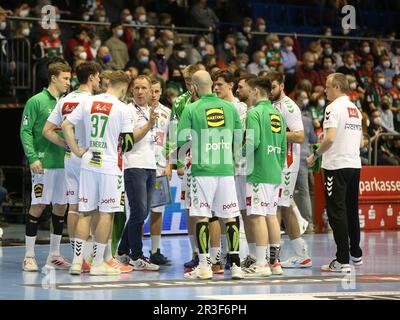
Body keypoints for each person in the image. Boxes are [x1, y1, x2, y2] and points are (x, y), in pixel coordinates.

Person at [62, 71, 134, 275]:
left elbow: (66, 125)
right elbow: (127, 144)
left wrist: (76, 150)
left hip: (88, 163)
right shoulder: (123, 108)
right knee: (106, 213)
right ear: (124, 88)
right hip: (109, 165)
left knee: (85, 212)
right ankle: (97, 264)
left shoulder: (88, 102)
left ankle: (77, 262)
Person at [177, 70, 243, 280]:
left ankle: (205, 266)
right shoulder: (229, 107)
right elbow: (239, 137)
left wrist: (182, 160)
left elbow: (181, 141)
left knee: (202, 217)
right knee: (230, 217)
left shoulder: (192, 108)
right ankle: (236, 266)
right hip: (225, 170)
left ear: (194, 87)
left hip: (201, 170)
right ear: (212, 85)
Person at [43, 62, 105, 274]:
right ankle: (91, 258)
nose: (99, 81)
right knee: (93, 208)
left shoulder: (65, 100)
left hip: (70, 159)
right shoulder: (93, 101)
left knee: (73, 206)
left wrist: (68, 145)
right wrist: (79, 148)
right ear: (92, 77)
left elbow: (47, 131)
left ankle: (77, 256)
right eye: (98, 77)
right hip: (89, 158)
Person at [307, 73, 363, 272]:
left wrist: (315, 155)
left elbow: (329, 138)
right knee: (351, 209)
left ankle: (342, 260)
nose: (325, 89)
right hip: (354, 165)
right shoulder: (355, 109)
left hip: (336, 166)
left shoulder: (333, 108)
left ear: (337, 87)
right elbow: (362, 142)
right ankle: (356, 254)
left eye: (328, 86)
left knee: (336, 213)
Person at [20, 62, 71, 272]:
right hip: (43, 163)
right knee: (38, 206)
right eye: (65, 78)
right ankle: (29, 256)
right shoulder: (36, 101)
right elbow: (25, 131)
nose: (69, 82)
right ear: (53, 78)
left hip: (65, 163)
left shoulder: (69, 103)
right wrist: (32, 158)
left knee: (61, 207)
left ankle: (54, 255)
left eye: (69, 79)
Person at [266, 72, 312, 269]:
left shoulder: (290, 106)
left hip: (288, 163)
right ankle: (301, 253)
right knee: (283, 207)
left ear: (282, 86)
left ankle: (272, 256)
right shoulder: (270, 104)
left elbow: (300, 136)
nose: (270, 91)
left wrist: (275, 134)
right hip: (276, 160)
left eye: (273, 87)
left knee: (277, 206)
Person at [242, 77, 286, 277]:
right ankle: (275, 263)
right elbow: (284, 147)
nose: (248, 95)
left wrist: (237, 154)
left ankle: (261, 264)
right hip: (275, 171)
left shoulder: (254, 113)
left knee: (257, 216)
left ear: (256, 91)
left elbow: (253, 142)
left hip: (259, 171)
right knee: (271, 215)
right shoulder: (277, 114)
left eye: (249, 91)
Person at [117, 75, 160, 271]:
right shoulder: (127, 111)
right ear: (131, 91)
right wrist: (149, 124)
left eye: (144, 88)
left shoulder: (151, 110)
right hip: (134, 166)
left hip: (150, 166)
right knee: (139, 212)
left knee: (141, 213)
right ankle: (136, 256)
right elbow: (128, 141)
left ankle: (122, 252)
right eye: (137, 88)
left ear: (151, 91)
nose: (140, 91)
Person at [169, 64, 205, 271]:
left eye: (193, 81)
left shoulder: (212, 99)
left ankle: (219, 254)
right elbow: (176, 134)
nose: (190, 85)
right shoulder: (181, 102)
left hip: (212, 160)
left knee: (215, 211)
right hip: (191, 161)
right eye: (187, 81)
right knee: (192, 209)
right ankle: (196, 253)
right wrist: (180, 162)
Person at [212, 70, 248, 272]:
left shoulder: (241, 108)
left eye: (220, 84)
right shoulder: (215, 105)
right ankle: (223, 254)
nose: (216, 88)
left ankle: (235, 255)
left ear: (230, 85)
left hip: (238, 167)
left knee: (233, 213)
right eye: (215, 85)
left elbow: (243, 137)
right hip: (218, 166)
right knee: (218, 212)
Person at [148, 78, 173, 265]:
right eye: (152, 91)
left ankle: (155, 251)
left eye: (157, 91)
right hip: (139, 167)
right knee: (137, 212)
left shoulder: (167, 112)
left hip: (159, 168)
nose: (154, 95)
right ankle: (134, 250)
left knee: (158, 211)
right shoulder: (133, 110)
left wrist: (170, 165)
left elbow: (172, 142)